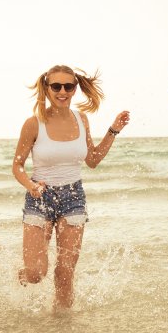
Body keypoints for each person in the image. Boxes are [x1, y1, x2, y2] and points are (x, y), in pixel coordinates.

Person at [12, 65, 129, 311]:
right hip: (40, 197)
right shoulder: (33, 124)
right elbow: (17, 166)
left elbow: (93, 160)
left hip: (73, 197)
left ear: (75, 89)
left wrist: (113, 130)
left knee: (65, 274)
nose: (62, 91)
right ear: (47, 88)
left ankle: (62, 327)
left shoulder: (81, 119)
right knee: (36, 273)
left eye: (68, 86)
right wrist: (30, 184)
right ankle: (20, 275)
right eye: (56, 86)